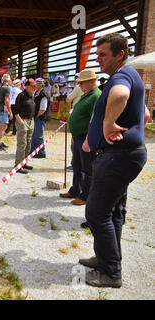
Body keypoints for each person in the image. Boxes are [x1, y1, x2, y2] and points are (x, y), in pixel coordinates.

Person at [80, 33, 149, 288]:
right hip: (122, 155)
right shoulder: (131, 75)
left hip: (117, 157)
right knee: (113, 212)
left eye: (103, 54)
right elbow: (146, 113)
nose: (98, 59)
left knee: (96, 213)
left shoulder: (121, 78)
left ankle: (111, 273)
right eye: (97, 54)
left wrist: (108, 125)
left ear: (120, 54)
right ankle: (106, 259)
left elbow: (120, 96)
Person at [59, 69, 101, 206]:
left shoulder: (96, 96)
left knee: (87, 167)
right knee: (76, 165)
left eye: (82, 83)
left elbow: (95, 120)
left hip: (85, 138)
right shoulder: (86, 94)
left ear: (91, 82)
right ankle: (75, 189)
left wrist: (88, 139)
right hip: (78, 136)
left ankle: (85, 195)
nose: (80, 85)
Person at [13, 78, 37, 174]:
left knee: (28, 144)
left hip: (30, 121)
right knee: (22, 144)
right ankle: (18, 166)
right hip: (23, 120)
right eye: (32, 86)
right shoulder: (21, 95)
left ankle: (24, 163)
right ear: (26, 87)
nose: (34, 88)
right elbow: (15, 110)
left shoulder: (32, 96)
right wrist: (20, 122)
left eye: (35, 86)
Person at [30, 78, 50, 158]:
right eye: (35, 84)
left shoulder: (44, 94)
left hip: (40, 117)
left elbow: (42, 109)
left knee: (38, 135)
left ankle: (41, 152)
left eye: (37, 84)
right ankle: (33, 151)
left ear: (41, 85)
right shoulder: (36, 93)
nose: (35, 86)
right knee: (34, 134)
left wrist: (36, 116)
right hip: (36, 117)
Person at [0, 73, 13, 151]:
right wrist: (10, 111)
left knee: (4, 126)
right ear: (8, 80)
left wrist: (1, 105)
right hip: (4, 109)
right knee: (3, 127)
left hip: (1, 108)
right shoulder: (7, 88)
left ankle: (0, 142)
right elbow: (7, 100)